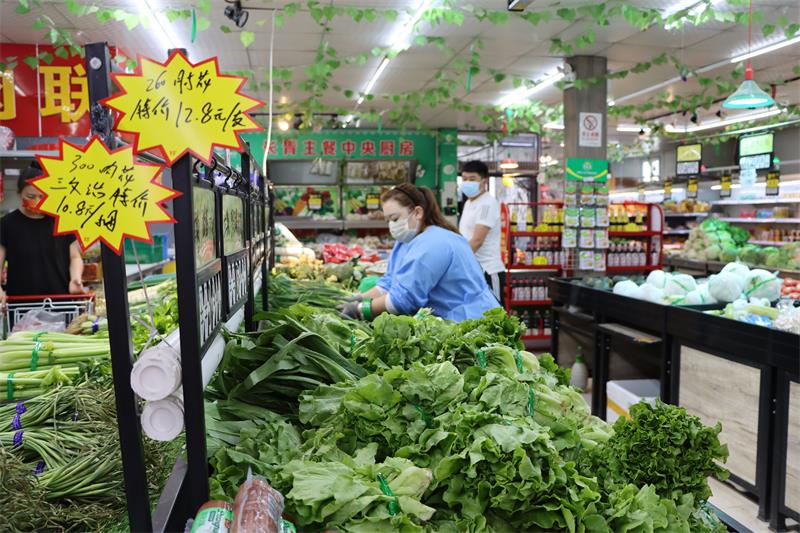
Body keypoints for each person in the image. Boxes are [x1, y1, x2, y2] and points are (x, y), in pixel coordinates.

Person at [341, 183, 499, 322]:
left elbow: (402, 300)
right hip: (448, 321)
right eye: (388, 220)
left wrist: (360, 309)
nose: (391, 226)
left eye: (395, 219)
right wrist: (359, 298)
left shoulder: (433, 243)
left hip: (471, 320)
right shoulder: (405, 242)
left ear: (417, 212)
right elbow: (389, 283)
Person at [0, 164, 84, 308]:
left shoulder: (61, 220)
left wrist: (75, 279)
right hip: (21, 306)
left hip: (60, 303)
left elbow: (75, 257)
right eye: (31, 196)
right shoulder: (7, 224)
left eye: (42, 196)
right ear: (19, 193)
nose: (37, 202)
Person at [458, 160, 505, 305]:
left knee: (494, 316)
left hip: (488, 271)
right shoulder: (469, 202)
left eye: (472, 179)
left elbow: (477, 240)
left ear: (484, 181)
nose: (467, 182)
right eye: (464, 179)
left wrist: (456, 260)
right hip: (473, 270)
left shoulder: (487, 204)